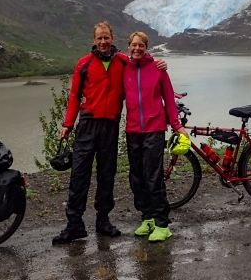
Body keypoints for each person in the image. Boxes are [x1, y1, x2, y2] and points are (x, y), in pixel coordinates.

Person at [52, 22, 167, 244]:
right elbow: (75, 95)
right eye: (99, 38)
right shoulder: (84, 64)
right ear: (94, 40)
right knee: (79, 174)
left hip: (111, 124)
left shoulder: (123, 62)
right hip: (87, 123)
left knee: (107, 174)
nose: (103, 42)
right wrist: (68, 124)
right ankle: (74, 224)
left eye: (106, 38)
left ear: (112, 39)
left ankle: (102, 221)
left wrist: (159, 63)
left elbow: (142, 62)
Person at [123, 31, 189, 242]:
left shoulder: (158, 70)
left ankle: (162, 223)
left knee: (153, 176)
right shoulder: (124, 68)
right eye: (134, 45)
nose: (137, 49)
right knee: (137, 176)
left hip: (154, 129)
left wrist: (177, 126)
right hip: (133, 130)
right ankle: (147, 217)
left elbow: (169, 98)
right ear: (129, 46)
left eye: (141, 45)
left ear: (146, 47)